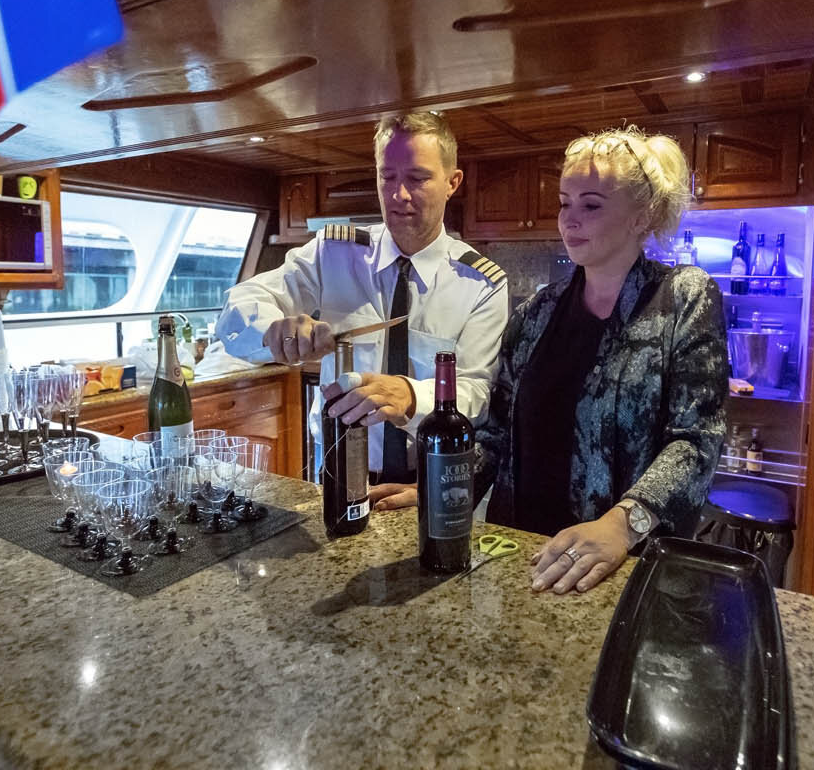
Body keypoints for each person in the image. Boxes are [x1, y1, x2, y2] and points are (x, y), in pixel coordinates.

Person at [369, 126, 727, 593]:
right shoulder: (536, 313)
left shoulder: (684, 297)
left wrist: (621, 525)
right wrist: (445, 490)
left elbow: (696, 441)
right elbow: (497, 433)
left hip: (622, 566)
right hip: (522, 553)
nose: (569, 220)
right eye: (564, 202)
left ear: (644, 215)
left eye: (591, 205)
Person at [215, 111, 509, 483]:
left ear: (453, 182)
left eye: (418, 178)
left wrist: (411, 396)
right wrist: (274, 328)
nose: (399, 194)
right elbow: (239, 305)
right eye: (387, 177)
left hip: (432, 478)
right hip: (337, 470)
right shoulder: (333, 253)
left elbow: (477, 393)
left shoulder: (481, 283)